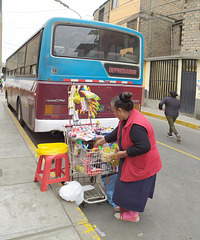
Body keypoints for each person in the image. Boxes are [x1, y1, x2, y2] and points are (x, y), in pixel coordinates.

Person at [95, 92, 162, 222]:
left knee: (133, 188)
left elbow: (144, 147)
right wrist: (103, 140)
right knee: (123, 184)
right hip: (133, 160)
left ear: (120, 110)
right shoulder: (126, 118)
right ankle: (125, 207)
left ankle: (133, 215)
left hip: (143, 164)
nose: (114, 114)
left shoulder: (137, 125)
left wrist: (123, 153)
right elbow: (117, 131)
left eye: (114, 111)